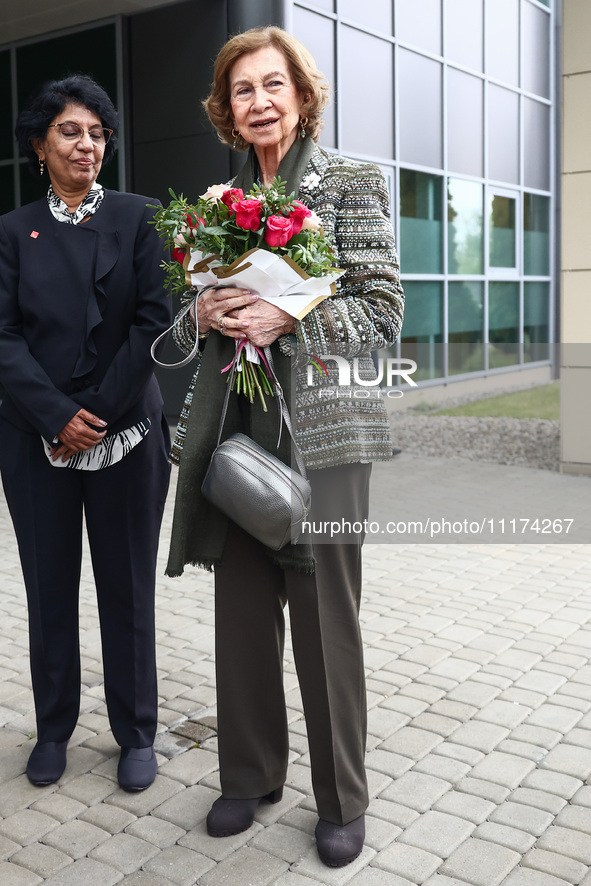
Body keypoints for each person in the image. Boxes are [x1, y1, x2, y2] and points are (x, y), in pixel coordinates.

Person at [166, 27, 404, 866]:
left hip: (325, 433)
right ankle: (249, 775)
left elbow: (381, 314)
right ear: (226, 111)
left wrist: (291, 312)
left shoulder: (349, 183)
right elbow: (191, 314)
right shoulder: (211, 204)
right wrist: (204, 314)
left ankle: (342, 797)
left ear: (301, 95)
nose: (259, 101)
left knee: (324, 620)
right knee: (240, 613)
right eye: (242, 91)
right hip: (237, 430)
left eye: (273, 85)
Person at [0, 75, 172, 792]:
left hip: (126, 430)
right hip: (33, 437)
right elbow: (2, 337)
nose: (87, 144)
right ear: (41, 146)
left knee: (127, 587)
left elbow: (153, 321)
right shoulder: (11, 231)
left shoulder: (140, 217)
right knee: (48, 587)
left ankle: (136, 732)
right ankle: (53, 729)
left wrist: (93, 415)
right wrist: (54, 416)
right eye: (70, 132)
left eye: (97, 133)